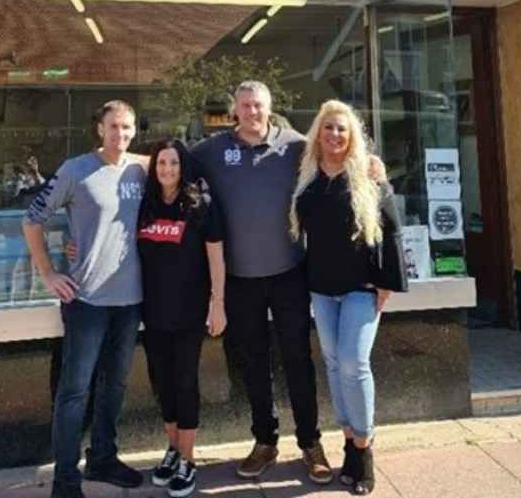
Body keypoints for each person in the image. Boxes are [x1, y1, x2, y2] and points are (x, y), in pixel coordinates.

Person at [66, 139, 227, 497]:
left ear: (183, 166)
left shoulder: (200, 204)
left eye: (173, 163)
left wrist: (218, 303)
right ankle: (173, 450)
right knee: (162, 382)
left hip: (189, 311)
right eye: (161, 164)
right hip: (152, 311)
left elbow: (216, 257)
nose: (167, 170)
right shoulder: (146, 205)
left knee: (185, 382)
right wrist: (72, 241)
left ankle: (188, 460)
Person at [189, 81, 332, 484]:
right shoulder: (213, 150)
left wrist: (373, 169)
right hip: (239, 280)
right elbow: (166, 162)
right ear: (234, 109)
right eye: (245, 105)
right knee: (254, 365)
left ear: (270, 108)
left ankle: (310, 443)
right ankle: (265, 442)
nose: (251, 111)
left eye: (258, 105)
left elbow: (339, 159)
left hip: (289, 274)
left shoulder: (296, 145)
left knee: (298, 361)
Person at [22, 100, 146, 498]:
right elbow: (32, 219)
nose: (121, 135)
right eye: (114, 127)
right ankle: (66, 479)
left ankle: (103, 459)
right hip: (86, 300)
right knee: (75, 391)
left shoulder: (139, 168)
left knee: (115, 385)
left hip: (130, 301)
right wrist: (48, 272)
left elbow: (171, 159)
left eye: (127, 128)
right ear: (99, 128)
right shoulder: (75, 170)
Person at [291, 100, 408, 495]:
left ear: (351, 135)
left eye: (342, 129)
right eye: (329, 129)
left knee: (354, 363)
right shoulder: (308, 174)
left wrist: (389, 280)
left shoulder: (367, 173)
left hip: (361, 286)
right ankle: (348, 440)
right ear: (318, 134)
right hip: (321, 287)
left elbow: (391, 227)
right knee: (334, 364)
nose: (335, 135)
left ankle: (364, 445)